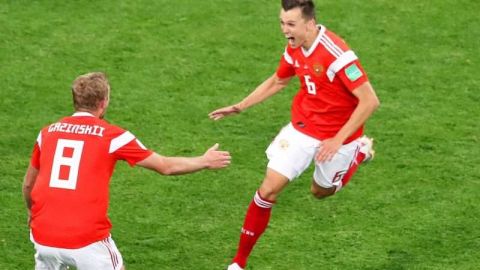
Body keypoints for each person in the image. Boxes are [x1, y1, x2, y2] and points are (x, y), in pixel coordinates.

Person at [209, 0, 380, 269]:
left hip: (340, 137)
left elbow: (370, 101)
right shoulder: (294, 47)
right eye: (282, 23)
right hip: (303, 128)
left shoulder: (337, 55)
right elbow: (279, 80)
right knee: (267, 189)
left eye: (291, 24)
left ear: (310, 24)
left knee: (320, 192)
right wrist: (240, 106)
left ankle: (359, 151)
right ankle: (238, 263)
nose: (285, 30)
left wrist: (337, 140)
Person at [23, 72, 232, 270]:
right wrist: (204, 161)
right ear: (103, 103)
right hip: (86, 239)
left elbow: (28, 185)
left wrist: (32, 214)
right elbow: (165, 166)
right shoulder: (113, 136)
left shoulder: (47, 133)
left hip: (43, 235)